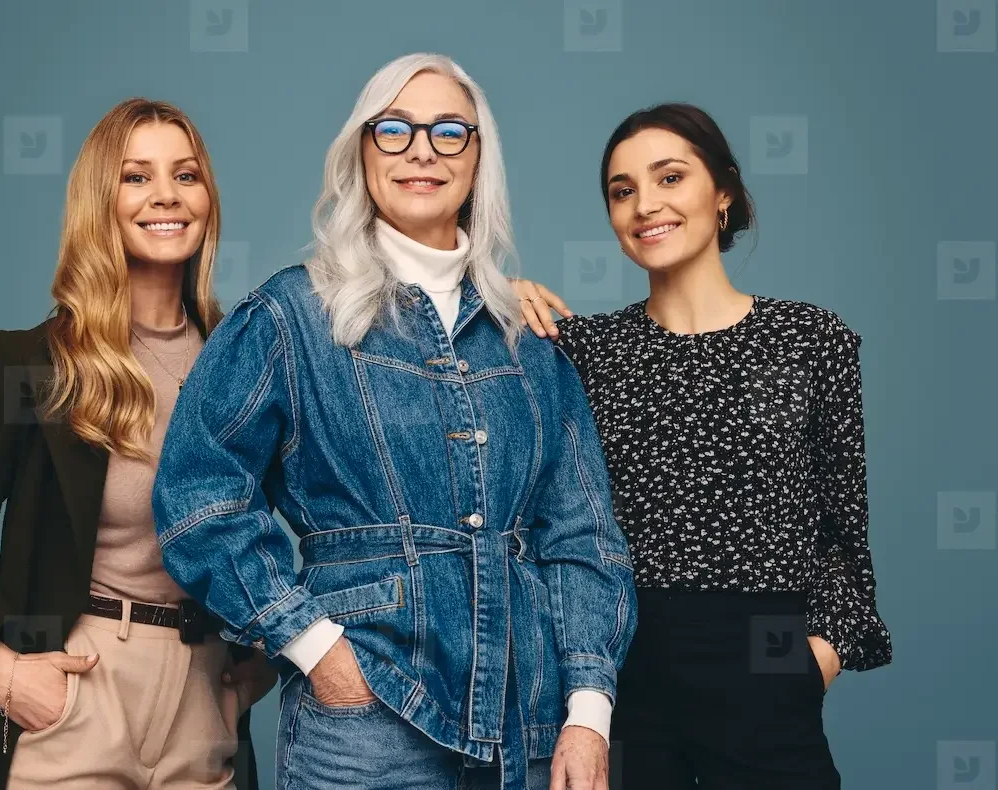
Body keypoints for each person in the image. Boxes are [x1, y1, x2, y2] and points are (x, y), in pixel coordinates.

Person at [152, 54, 637, 790]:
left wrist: (588, 714)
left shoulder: (529, 342)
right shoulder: (293, 316)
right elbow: (198, 497)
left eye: (450, 131)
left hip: (527, 729)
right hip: (366, 724)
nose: (422, 150)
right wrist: (315, 647)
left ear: (479, 159)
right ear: (361, 151)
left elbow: (582, 538)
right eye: (395, 129)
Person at [0, 98, 271, 790]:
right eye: (136, 177)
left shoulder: (242, 365)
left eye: (185, 175)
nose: (165, 196)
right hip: (76, 696)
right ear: (102, 200)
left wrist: (260, 668)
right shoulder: (33, 365)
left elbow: (334, 511)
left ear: (208, 197)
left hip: (201, 701)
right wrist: (2, 673)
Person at [510, 102, 892, 789]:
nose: (644, 205)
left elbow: (844, 540)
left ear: (723, 194)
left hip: (767, 661)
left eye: (669, 178)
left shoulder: (811, 341)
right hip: (626, 668)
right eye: (622, 191)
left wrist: (816, 661)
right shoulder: (584, 350)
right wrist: (494, 295)